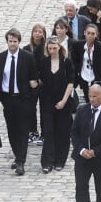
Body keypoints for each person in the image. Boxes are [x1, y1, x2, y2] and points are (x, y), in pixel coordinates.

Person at [0, 28, 39, 176]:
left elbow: (34, 78)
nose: (12, 44)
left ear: (19, 42)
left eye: (15, 41)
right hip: (7, 98)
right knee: (11, 129)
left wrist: (31, 99)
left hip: (23, 98)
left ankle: (21, 161)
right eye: (10, 41)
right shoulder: (0, 57)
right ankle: (17, 155)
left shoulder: (27, 57)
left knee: (22, 129)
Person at [38, 37, 75, 173]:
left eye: (55, 47)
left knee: (62, 131)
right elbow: (40, 79)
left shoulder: (66, 62)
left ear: (59, 47)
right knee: (48, 131)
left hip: (63, 101)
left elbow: (71, 83)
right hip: (47, 102)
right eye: (50, 48)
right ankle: (47, 161)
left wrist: (64, 100)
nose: (52, 50)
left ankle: (60, 160)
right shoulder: (44, 62)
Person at [70, 23, 101, 102]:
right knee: (88, 100)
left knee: (100, 100)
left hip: (97, 78)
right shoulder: (78, 45)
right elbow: (75, 59)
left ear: (96, 35)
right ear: (84, 33)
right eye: (88, 33)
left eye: (93, 34)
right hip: (84, 77)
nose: (90, 36)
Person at [23, 23, 47, 145]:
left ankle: (44, 133)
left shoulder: (46, 48)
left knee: (44, 108)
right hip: (30, 83)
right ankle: (32, 131)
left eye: (40, 31)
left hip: (43, 83)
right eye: (35, 31)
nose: (37, 34)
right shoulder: (26, 48)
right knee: (30, 108)